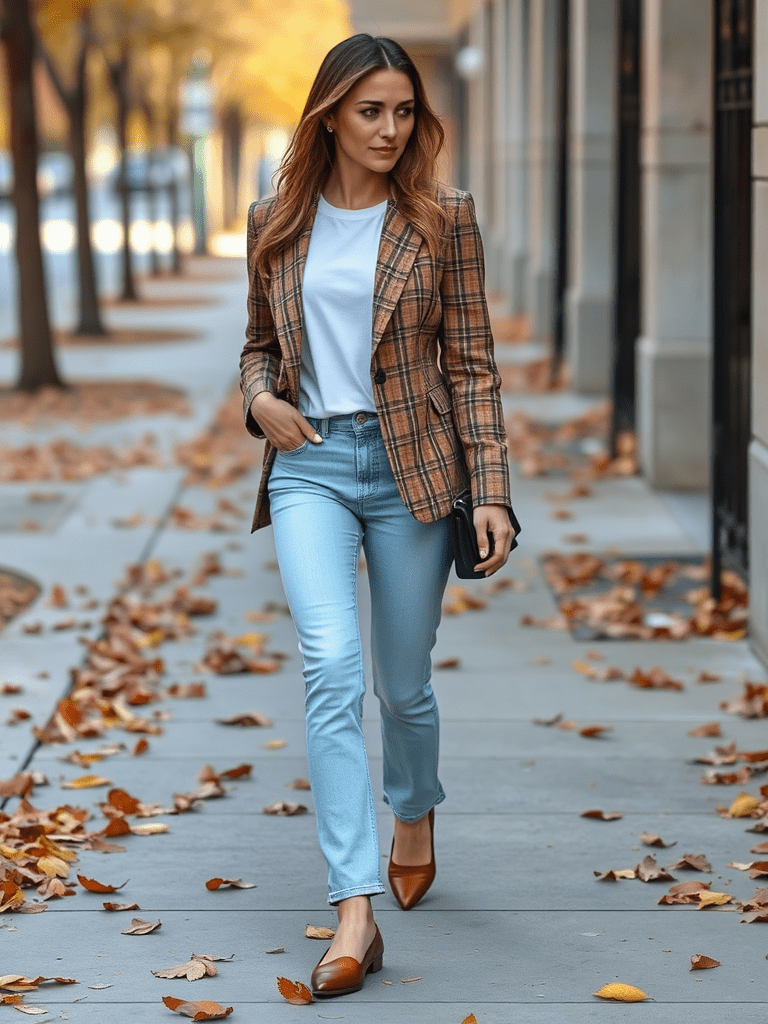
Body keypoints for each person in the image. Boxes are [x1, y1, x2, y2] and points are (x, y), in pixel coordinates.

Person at [240, 33, 514, 999]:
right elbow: (260, 346)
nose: (391, 129)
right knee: (329, 666)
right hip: (311, 465)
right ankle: (354, 907)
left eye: (404, 111)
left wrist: (490, 491)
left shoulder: (444, 220)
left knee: (402, 687)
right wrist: (259, 399)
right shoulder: (276, 218)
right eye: (371, 111)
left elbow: (473, 368)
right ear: (329, 116)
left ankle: (414, 809)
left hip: (413, 474)